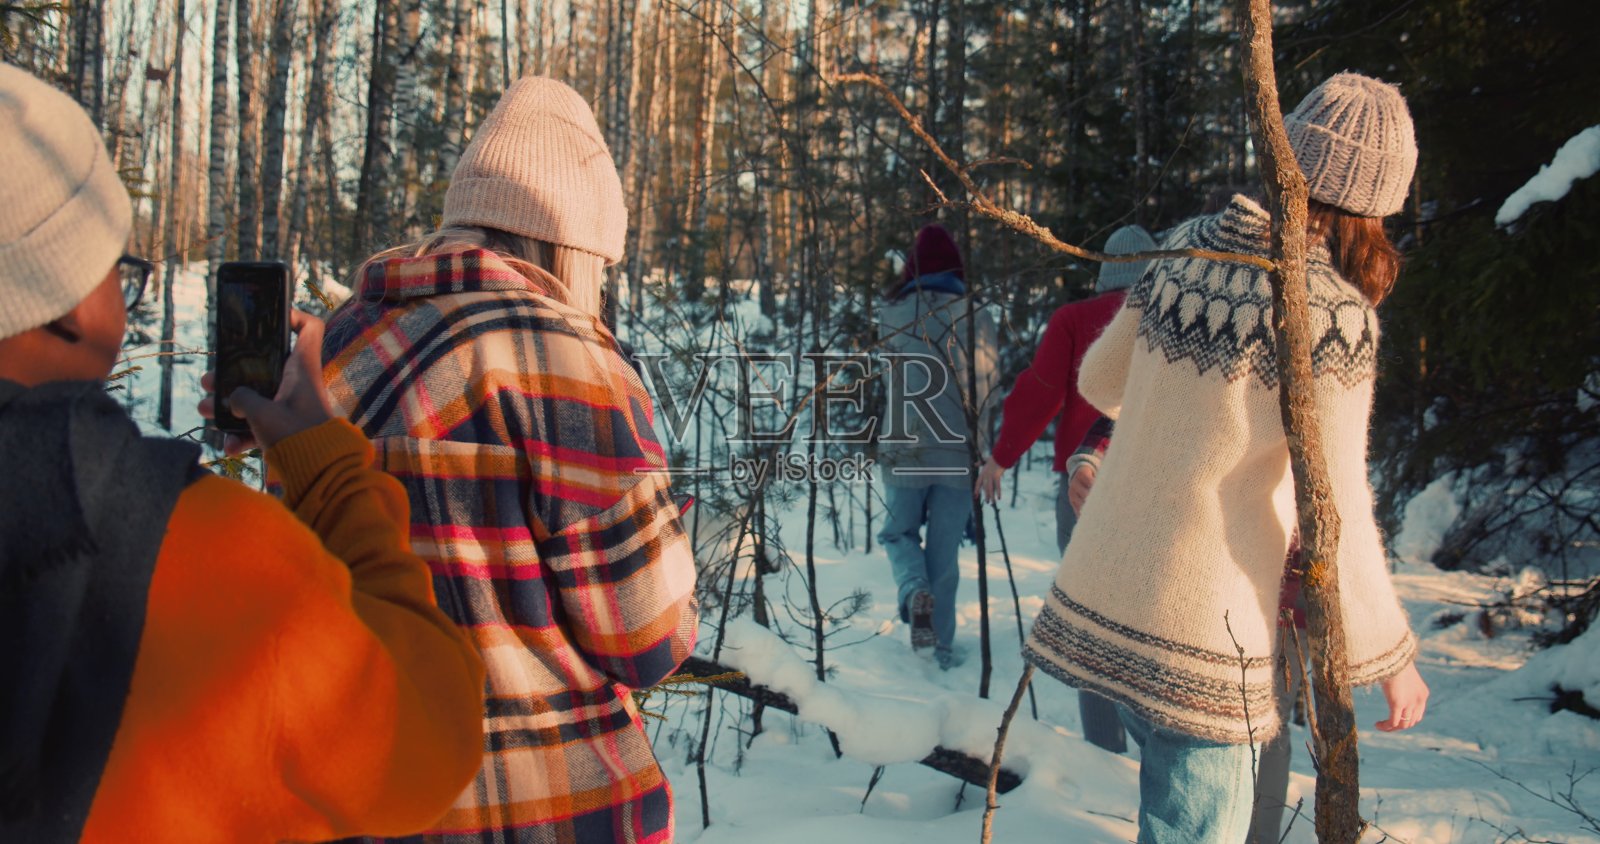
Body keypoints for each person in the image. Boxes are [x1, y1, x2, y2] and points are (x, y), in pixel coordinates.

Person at [0, 63, 486, 842]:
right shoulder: (192, 551)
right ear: (58, 304)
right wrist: (328, 472)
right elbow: (426, 740)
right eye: (118, 271)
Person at [1022, 72, 1431, 844]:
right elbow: (1334, 504)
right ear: (1372, 203)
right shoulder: (1332, 317)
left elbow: (1102, 380)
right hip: (1205, 628)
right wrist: (1388, 656)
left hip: (1119, 588)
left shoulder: (1185, 249)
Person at [321, 77, 699, 843]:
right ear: (576, 247)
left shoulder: (335, 343)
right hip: (547, 807)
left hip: (368, 796)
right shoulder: (564, 361)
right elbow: (647, 637)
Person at [977, 224, 1156, 752]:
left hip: (1085, 485)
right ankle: (1158, 749)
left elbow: (1041, 392)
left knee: (1092, 619)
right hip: (1157, 486)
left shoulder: (1076, 319)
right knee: (1150, 620)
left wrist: (1001, 457)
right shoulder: (1173, 316)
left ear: (1104, 269)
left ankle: (1104, 754)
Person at [877, 223, 999, 670]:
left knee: (897, 532)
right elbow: (988, 388)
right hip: (958, 453)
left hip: (903, 448)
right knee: (943, 553)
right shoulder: (976, 315)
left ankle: (913, 592)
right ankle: (940, 650)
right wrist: (983, 454)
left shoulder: (890, 314)